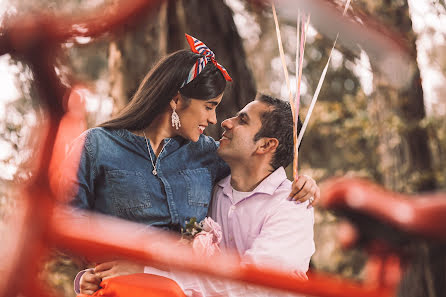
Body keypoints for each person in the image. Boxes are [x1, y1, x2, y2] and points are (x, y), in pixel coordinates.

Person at [60, 34, 318, 232]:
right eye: (209, 106)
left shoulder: (209, 154)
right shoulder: (95, 147)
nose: (214, 119)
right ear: (176, 99)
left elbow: (259, 169)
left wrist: (305, 183)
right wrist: (90, 270)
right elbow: (65, 221)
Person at [78, 94, 315, 297]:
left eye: (242, 120)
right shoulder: (208, 189)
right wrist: (100, 277)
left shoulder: (292, 205)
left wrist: (147, 272)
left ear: (265, 146)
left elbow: (253, 285)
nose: (225, 122)